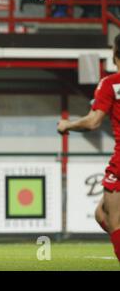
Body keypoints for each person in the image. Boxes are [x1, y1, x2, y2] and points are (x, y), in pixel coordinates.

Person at [57, 34, 120, 262]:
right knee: (101, 213)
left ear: (114, 55)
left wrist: (68, 125)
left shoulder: (111, 83)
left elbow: (93, 122)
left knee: (112, 220)